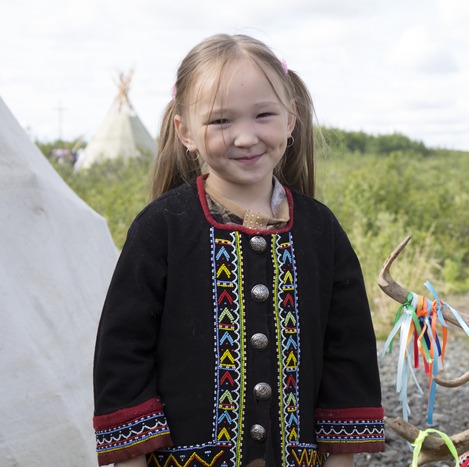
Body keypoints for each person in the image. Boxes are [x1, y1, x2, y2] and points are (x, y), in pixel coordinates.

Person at [92, 33, 385, 467]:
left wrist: (340, 458)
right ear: (185, 131)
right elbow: (123, 351)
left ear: (291, 119)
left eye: (263, 115)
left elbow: (348, 351)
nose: (246, 137)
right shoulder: (161, 228)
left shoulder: (321, 230)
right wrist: (131, 458)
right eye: (221, 121)